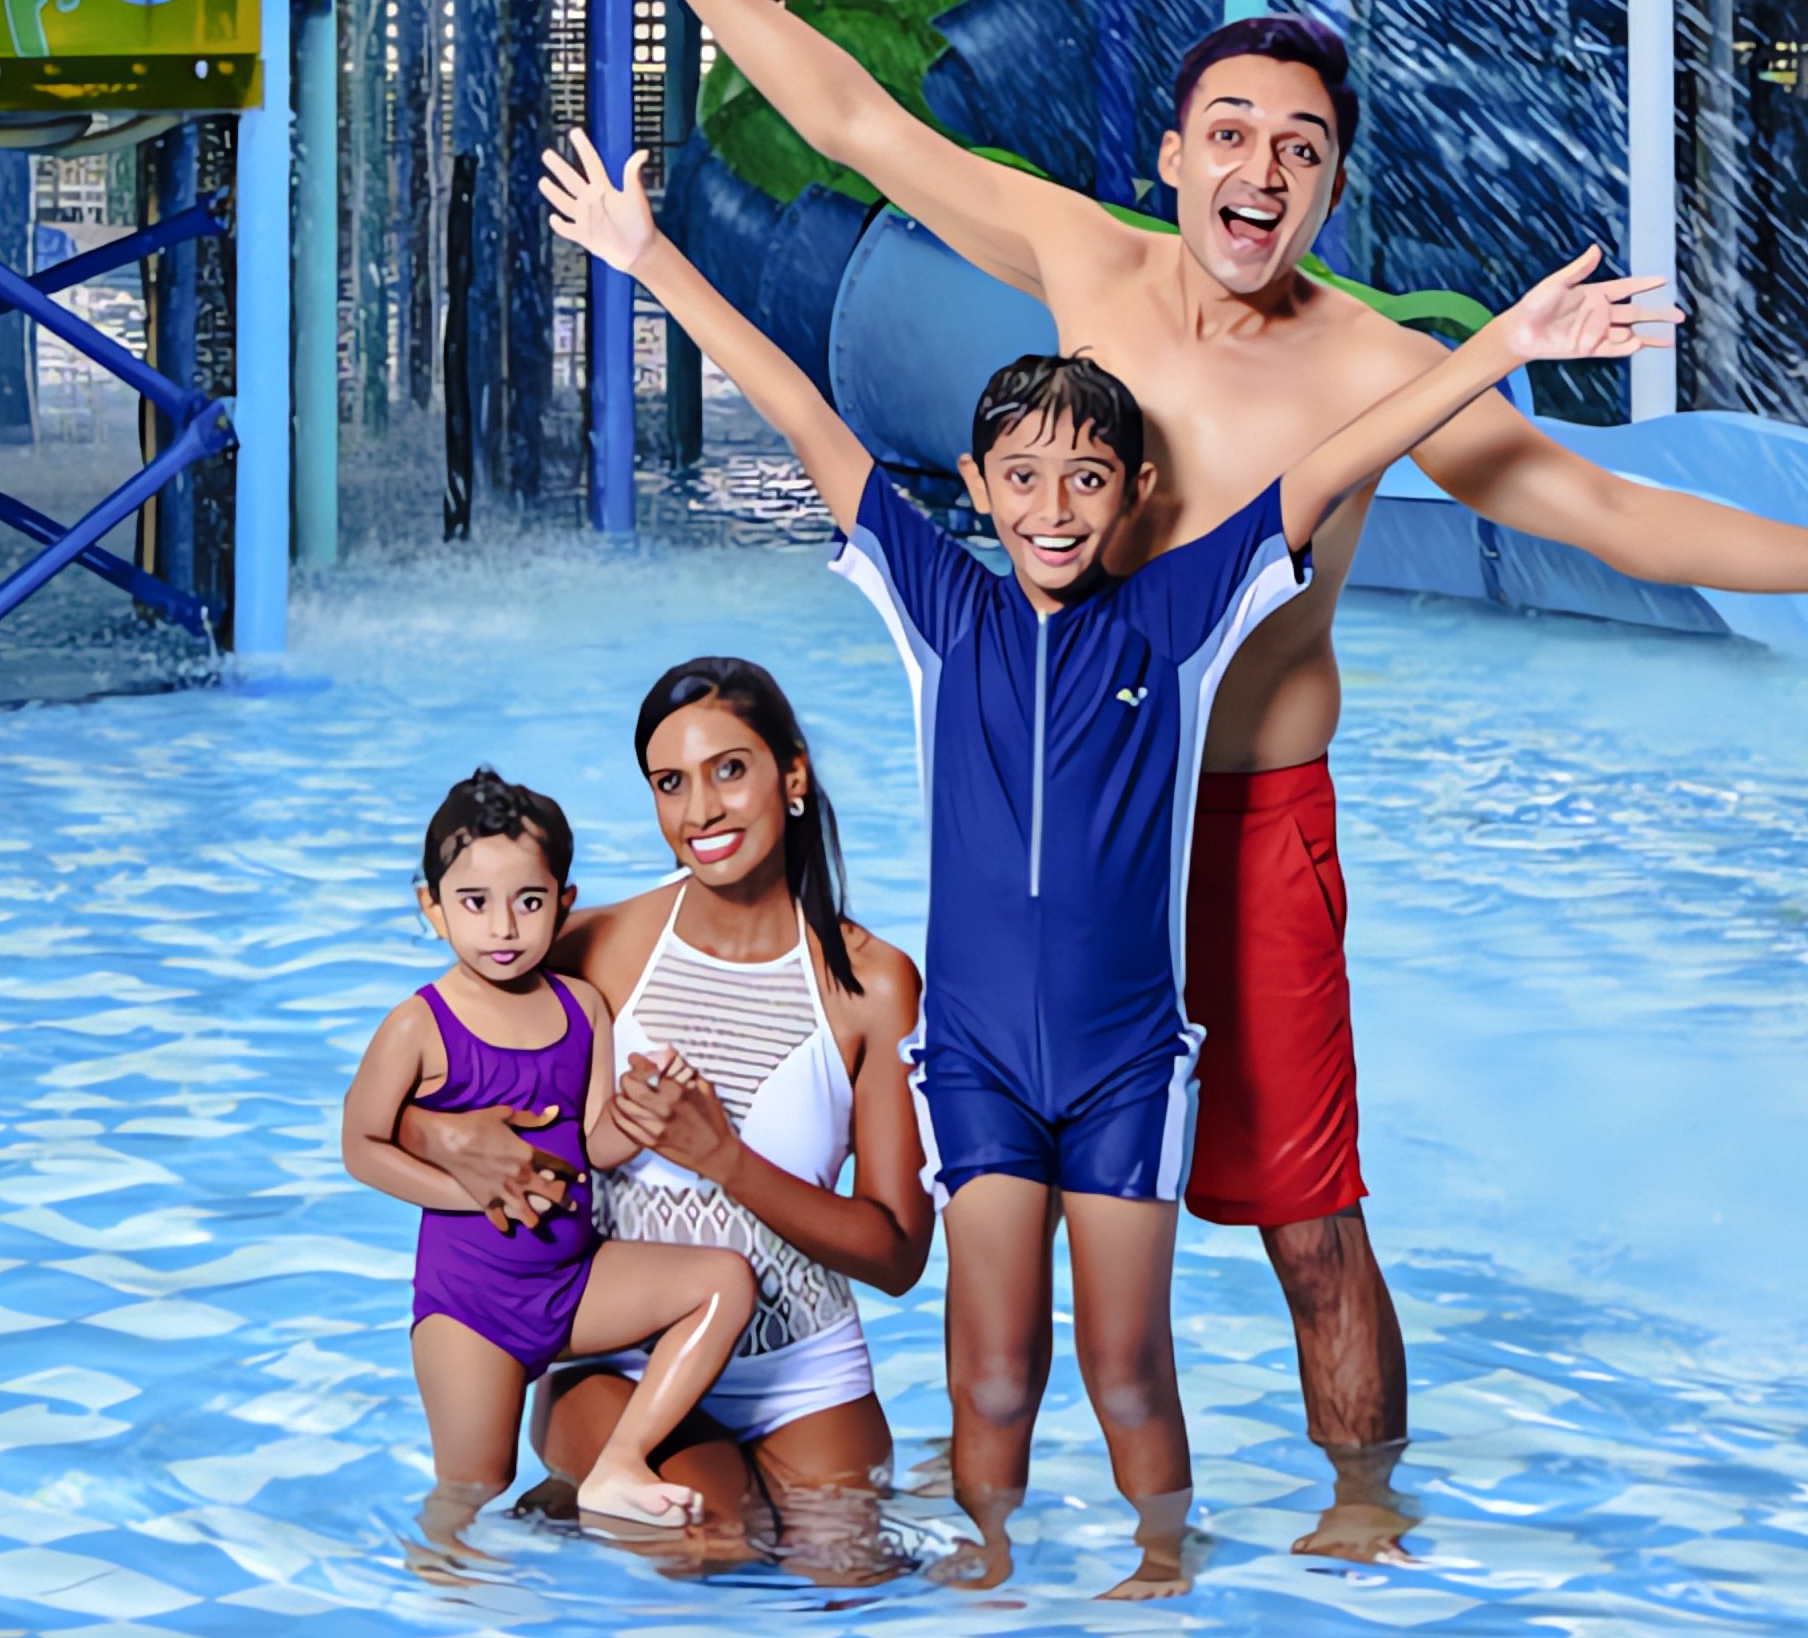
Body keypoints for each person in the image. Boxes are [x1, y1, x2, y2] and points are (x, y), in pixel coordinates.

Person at [527, 0, 1808, 1490]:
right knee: (1012, 1239)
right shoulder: (1083, 265)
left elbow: (1607, 513)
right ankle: (1003, 1552)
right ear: (1172, 154)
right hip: (1054, 837)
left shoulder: (1363, 366)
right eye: (1230, 132)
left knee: (1307, 1227)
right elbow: (851, 122)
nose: (1258, 169)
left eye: (1298, 148)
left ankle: (1363, 1528)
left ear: (1330, 185)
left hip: (1247, 832)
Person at [537, 137, 1631, 1530]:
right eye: (1025, 479)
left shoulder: (1177, 621)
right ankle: (989, 1573)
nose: (1054, 508)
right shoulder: (945, 612)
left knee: (1126, 1372)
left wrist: (1500, 346)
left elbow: (1327, 463)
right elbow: (805, 415)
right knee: (994, 1377)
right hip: (984, 1062)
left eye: (1089, 482)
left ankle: (1158, 1575)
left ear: (1137, 504)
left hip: (1127, 1064)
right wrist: (649, 262)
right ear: (977, 489)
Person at [433, 657, 935, 1553]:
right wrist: (450, 1135)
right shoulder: (601, 946)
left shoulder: (873, 985)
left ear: (792, 776)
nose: (699, 810)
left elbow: (897, 1254)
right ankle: (589, 1485)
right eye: (671, 783)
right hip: (621, 1358)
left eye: (728, 770)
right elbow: (430, 1055)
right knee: (713, 1538)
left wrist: (727, 1161)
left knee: (854, 1571)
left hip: (802, 1369)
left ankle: (569, 1509)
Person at [327, 769, 756, 1530]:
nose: (503, 927)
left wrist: (652, 1109)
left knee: (724, 1281)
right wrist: (473, 1194)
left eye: (528, 902)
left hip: (574, 1280)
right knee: (474, 1484)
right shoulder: (417, 1026)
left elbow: (594, 1144)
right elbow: (360, 1147)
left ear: (564, 903)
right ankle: (445, 1594)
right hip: (471, 1306)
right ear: (431, 909)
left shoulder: (581, 1008)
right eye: (474, 903)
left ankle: (618, 1465)